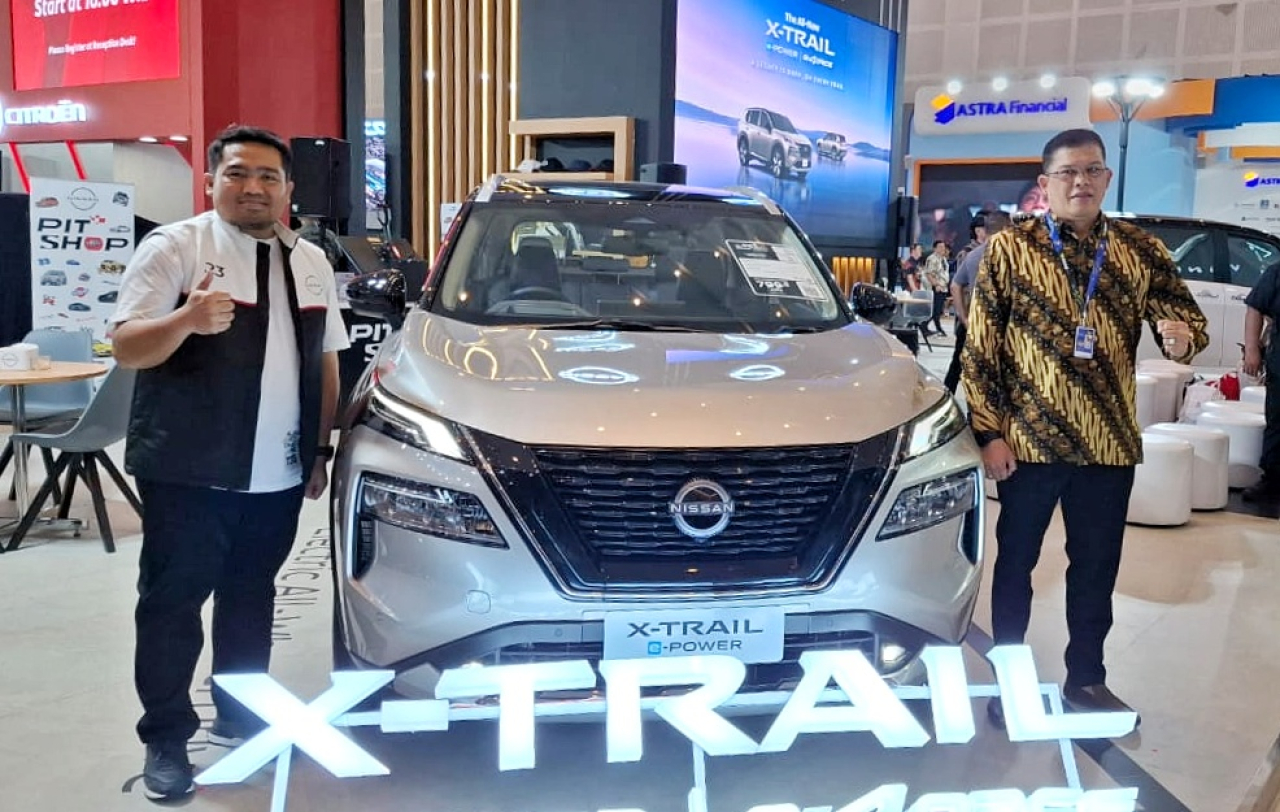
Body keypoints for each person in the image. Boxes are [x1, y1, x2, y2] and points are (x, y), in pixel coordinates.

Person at [109, 125, 351, 800]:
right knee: (172, 604)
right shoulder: (176, 247)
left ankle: (241, 713)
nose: (253, 187)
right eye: (238, 173)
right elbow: (127, 347)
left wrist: (319, 449)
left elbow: (326, 362)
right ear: (211, 179)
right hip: (189, 470)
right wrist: (184, 321)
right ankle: (166, 738)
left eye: (268, 176)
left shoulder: (311, 260)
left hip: (278, 473)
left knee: (251, 597)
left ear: (288, 188)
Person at [961, 128, 1207, 729]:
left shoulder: (1139, 250)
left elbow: (1185, 322)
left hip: (1107, 443)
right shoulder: (1010, 249)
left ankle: (1087, 680)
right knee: (1015, 566)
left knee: (1095, 570)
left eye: (1092, 170)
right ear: (1045, 184)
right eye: (1068, 172)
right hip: (1029, 442)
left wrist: (1182, 339)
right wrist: (989, 433)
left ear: (1107, 178)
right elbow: (981, 347)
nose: (1081, 182)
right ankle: (1010, 682)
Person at [944, 210, 1010, 393]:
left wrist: (964, 318)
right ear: (1005, 229)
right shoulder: (1011, 257)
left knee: (961, 367)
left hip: (974, 321)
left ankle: (950, 401)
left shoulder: (972, 255)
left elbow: (955, 285)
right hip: (1001, 325)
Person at [1240, 262, 1280, 501]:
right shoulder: (1276, 272)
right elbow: (1255, 308)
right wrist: (1252, 350)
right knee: (1276, 420)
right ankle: (1272, 479)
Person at [922, 240, 950, 336]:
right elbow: (929, 274)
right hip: (936, 288)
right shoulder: (932, 259)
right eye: (940, 247)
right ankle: (925, 326)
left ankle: (934, 328)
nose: (943, 249)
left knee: (938, 310)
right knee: (935, 310)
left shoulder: (943, 259)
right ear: (935, 248)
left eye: (943, 247)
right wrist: (936, 285)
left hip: (943, 287)